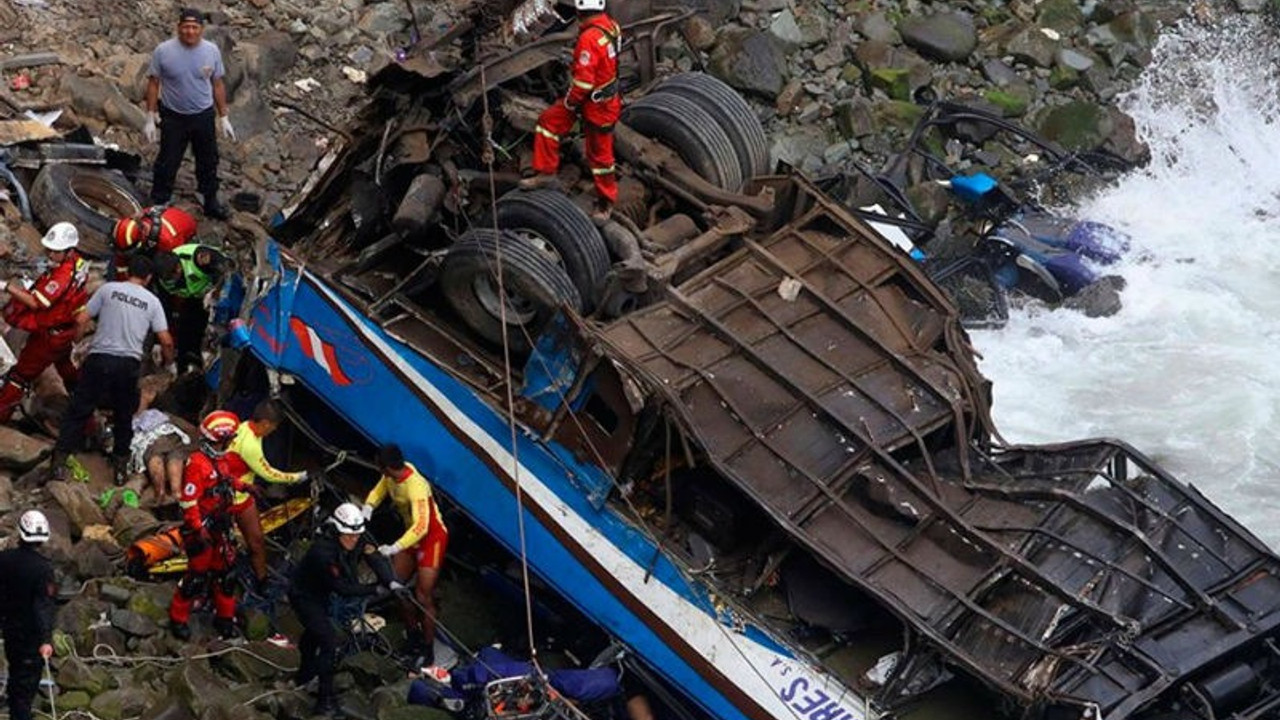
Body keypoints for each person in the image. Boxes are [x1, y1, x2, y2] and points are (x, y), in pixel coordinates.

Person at [50, 254, 175, 486]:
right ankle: (120, 468)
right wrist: (168, 362)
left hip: (99, 358)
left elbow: (81, 320)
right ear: (148, 278)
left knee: (79, 409)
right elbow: (166, 340)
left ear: (128, 272)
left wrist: (75, 344)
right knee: (123, 416)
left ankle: (59, 461)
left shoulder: (108, 290)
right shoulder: (152, 301)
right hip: (127, 365)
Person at [290, 503, 400, 716]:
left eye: (356, 536)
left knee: (314, 634)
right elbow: (341, 588)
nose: (354, 540)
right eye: (349, 536)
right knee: (328, 641)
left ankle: (304, 674)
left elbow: (372, 555)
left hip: (320, 595)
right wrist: (373, 589)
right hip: (304, 596)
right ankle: (324, 700)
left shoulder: (357, 537)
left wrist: (392, 582)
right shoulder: (322, 553)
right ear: (336, 531)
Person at [519, 0, 622, 225]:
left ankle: (606, 203)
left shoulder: (588, 38)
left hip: (595, 104)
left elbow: (583, 84)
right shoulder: (610, 26)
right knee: (548, 122)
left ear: (579, 10)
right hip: (600, 98)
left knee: (600, 157)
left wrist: (569, 103)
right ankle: (545, 173)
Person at [362, 443, 450, 677]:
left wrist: (395, 547)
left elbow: (422, 526)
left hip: (430, 538)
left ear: (388, 467)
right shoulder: (391, 476)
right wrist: (368, 506)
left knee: (423, 595)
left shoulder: (416, 487)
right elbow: (380, 489)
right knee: (395, 585)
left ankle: (428, 648)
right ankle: (412, 637)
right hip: (409, 536)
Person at [143, 7, 235, 220]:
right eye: (186, 27)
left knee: (208, 160)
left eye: (194, 27)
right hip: (173, 115)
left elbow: (218, 83)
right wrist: (150, 116)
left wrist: (224, 117)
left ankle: (210, 200)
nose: (190, 31)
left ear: (201, 29)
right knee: (167, 160)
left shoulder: (211, 51)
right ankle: (159, 200)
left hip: (202, 115)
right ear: (178, 28)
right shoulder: (163, 51)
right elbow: (153, 83)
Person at [169, 410, 252, 640]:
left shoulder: (219, 459)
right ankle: (178, 617)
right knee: (196, 575)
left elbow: (223, 479)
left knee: (226, 575)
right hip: (201, 528)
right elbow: (189, 500)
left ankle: (224, 618)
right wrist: (198, 528)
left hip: (220, 524)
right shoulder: (197, 464)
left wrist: (243, 487)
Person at [0, 222, 90, 423]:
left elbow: (36, 302)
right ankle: (87, 415)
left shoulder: (62, 276)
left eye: (55, 251)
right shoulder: (79, 264)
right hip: (64, 332)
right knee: (68, 371)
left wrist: (7, 287)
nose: (50, 255)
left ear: (68, 250)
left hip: (50, 336)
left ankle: (1, 415)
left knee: (20, 376)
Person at [227, 398, 309, 592]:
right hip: (228, 499)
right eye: (273, 427)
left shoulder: (244, 427)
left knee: (256, 540)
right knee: (232, 545)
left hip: (244, 497)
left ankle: (262, 580)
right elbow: (269, 473)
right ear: (265, 423)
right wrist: (299, 477)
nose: (273, 431)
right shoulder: (250, 445)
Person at [0, 510, 57, 720]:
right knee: (25, 692)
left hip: (9, 629)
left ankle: (12, 699)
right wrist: (46, 640)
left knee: (15, 673)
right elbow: (43, 606)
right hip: (30, 636)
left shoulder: (4, 559)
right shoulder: (43, 569)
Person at [154, 243, 230, 373]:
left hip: (214, 295)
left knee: (215, 334)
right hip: (193, 298)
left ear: (178, 267)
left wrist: (216, 291)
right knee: (185, 333)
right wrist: (158, 340)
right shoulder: (161, 278)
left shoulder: (199, 258)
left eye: (173, 276)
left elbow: (227, 270)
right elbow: (164, 307)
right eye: (168, 279)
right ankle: (185, 369)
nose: (171, 281)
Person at [110, 205, 199, 279]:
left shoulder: (169, 243)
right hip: (173, 216)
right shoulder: (138, 219)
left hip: (184, 233)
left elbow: (175, 268)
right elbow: (121, 257)